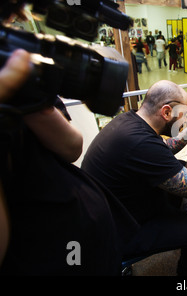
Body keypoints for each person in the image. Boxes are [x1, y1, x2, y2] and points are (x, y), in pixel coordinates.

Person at [0, 48, 138, 274]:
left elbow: (72, 146)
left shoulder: (26, 91)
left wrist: (28, 97)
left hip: (85, 229)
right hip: (43, 251)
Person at [81, 80, 187, 276]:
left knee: (179, 168)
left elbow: (159, 152)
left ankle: (176, 228)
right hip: (117, 233)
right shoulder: (140, 142)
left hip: (111, 210)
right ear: (166, 112)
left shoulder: (130, 122)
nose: (184, 121)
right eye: (183, 116)